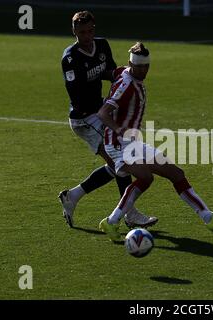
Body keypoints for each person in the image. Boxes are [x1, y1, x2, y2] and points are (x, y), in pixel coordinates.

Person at [96, 42, 213, 241]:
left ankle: (209, 217)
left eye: (146, 66)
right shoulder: (126, 86)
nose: (143, 70)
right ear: (131, 64)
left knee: (176, 173)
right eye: (139, 67)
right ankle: (111, 222)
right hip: (118, 144)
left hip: (132, 143)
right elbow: (103, 113)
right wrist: (119, 129)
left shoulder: (125, 73)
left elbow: (112, 72)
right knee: (146, 177)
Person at [59, 11, 158, 229]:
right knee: (120, 162)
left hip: (99, 110)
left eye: (90, 31)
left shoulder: (102, 45)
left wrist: (126, 74)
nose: (87, 36)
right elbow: (77, 96)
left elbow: (110, 72)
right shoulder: (70, 58)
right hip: (84, 117)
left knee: (116, 165)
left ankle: (72, 196)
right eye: (82, 32)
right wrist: (107, 109)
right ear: (74, 32)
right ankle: (130, 215)